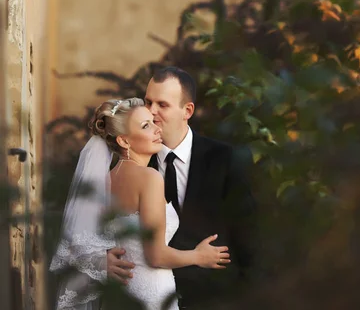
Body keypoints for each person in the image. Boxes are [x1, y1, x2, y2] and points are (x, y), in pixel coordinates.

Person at [50, 97, 230, 310]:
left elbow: (77, 241)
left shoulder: (106, 181)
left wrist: (100, 260)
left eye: (153, 121)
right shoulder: (149, 178)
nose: (156, 129)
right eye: (146, 126)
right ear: (124, 141)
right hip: (151, 296)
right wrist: (198, 256)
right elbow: (156, 256)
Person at [107, 68, 256, 309]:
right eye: (148, 102)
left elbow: (249, 237)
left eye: (162, 105)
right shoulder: (130, 166)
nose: (152, 111)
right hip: (146, 298)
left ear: (187, 111)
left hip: (214, 300)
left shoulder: (226, 159)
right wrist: (100, 259)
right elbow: (95, 226)